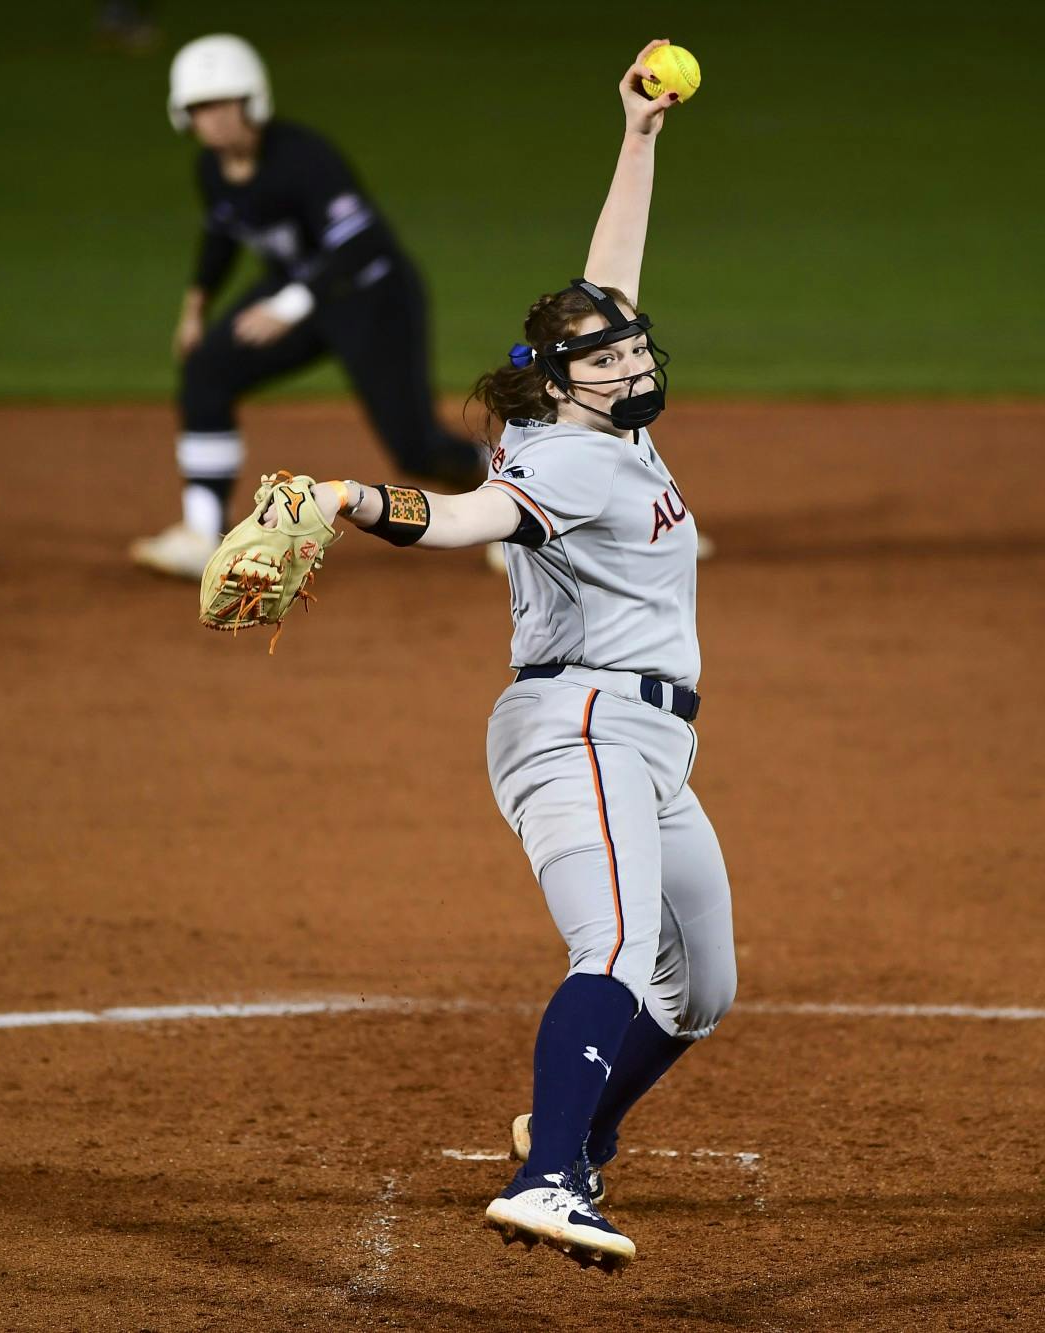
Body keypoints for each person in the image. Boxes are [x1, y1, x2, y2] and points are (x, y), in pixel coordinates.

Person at [257, 40, 732, 1270]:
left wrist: (637, 137)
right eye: (611, 359)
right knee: (617, 949)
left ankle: (576, 1129)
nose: (635, 362)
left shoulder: (585, 414)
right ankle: (549, 1176)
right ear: (565, 386)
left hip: (647, 742)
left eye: (634, 349)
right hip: (578, 727)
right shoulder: (562, 461)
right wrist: (352, 500)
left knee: (699, 989)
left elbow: (604, 283)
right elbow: (466, 520)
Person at [132, 33, 486, 579]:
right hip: (302, 300)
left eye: (223, 103)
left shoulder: (304, 158)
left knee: (415, 447)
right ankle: (202, 531)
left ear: (253, 102)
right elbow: (222, 235)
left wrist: (290, 304)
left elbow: (362, 243)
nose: (213, 119)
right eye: (200, 108)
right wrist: (195, 307)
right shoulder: (210, 170)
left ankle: (508, 500)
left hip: (373, 299)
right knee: (207, 368)